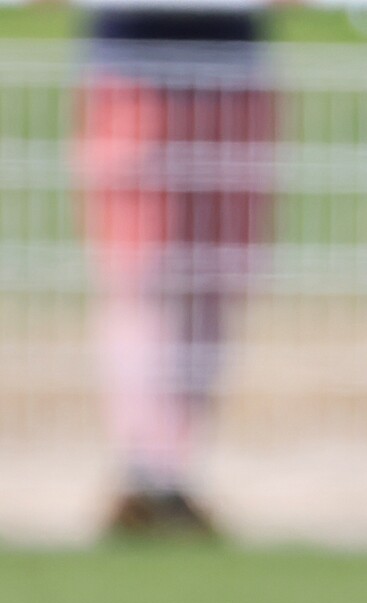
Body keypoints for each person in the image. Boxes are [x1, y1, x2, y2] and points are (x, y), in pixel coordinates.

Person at [76, 5, 275, 536]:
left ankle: (176, 470)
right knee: (140, 275)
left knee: (212, 279)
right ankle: (145, 467)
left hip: (231, 63)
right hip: (133, 62)